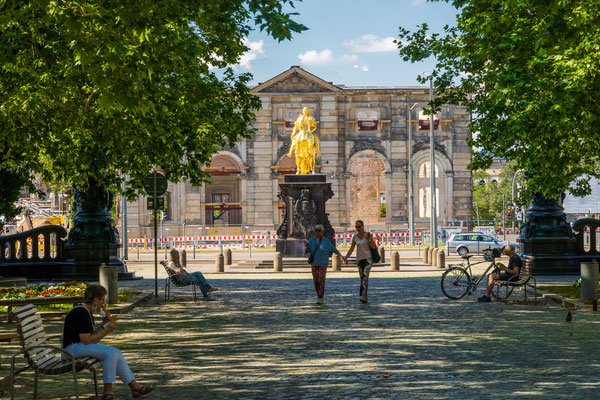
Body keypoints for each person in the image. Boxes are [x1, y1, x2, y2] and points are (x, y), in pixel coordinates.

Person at [62, 284, 154, 400]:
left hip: (77, 346)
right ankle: (107, 393)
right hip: (70, 349)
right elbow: (87, 340)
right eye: (102, 300)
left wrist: (104, 325)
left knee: (116, 352)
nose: (103, 304)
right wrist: (107, 330)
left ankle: (135, 387)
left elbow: (91, 337)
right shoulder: (82, 312)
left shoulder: (85, 311)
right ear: (95, 300)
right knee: (110, 353)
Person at [305, 224, 343, 305]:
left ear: (322, 232)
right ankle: (318, 295)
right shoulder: (311, 240)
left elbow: (335, 250)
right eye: (316, 230)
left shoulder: (326, 241)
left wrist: (342, 258)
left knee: (321, 280)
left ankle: (320, 297)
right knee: (315, 281)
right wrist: (307, 247)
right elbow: (307, 252)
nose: (317, 232)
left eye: (319, 230)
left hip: (323, 263)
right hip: (314, 263)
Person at [343, 220, 377, 303]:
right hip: (359, 259)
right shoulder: (355, 237)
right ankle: (363, 295)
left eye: (359, 226)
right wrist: (346, 257)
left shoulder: (368, 235)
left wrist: (369, 239)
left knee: (365, 276)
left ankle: (364, 296)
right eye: (356, 227)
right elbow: (351, 248)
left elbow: (373, 247)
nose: (357, 228)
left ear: (363, 226)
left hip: (368, 258)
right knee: (362, 278)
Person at [288, 107, 320, 174]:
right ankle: (290, 152)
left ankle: (316, 151)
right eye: (304, 110)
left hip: (308, 133)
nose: (305, 111)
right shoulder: (300, 118)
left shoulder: (311, 118)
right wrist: (293, 133)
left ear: (308, 111)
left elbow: (314, 127)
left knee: (315, 141)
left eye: (306, 110)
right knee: (294, 141)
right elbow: (296, 127)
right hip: (301, 133)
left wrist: (310, 131)